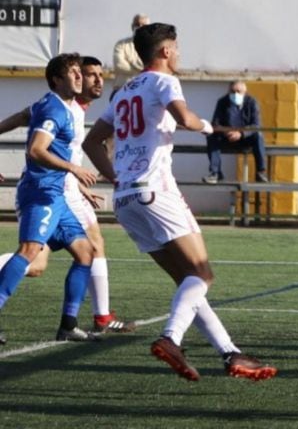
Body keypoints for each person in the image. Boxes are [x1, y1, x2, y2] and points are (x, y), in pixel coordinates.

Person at [83, 22, 276, 381]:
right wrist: (209, 127)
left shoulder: (123, 91)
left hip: (126, 198)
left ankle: (230, 353)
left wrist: (114, 175)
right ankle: (171, 338)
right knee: (202, 274)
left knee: (189, 282)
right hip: (156, 190)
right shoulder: (164, 81)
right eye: (177, 48)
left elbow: (91, 142)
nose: (179, 54)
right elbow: (184, 118)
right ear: (165, 51)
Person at [0, 56, 136, 334]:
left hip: (58, 193)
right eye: (75, 72)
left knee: (86, 252)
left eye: (80, 72)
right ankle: (101, 318)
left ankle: (69, 325)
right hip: (42, 192)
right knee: (30, 255)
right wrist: (74, 169)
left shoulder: (58, 106)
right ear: (57, 80)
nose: (81, 77)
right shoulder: (55, 109)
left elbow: (22, 117)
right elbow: (36, 150)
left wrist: (77, 183)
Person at [202, 80, 268, 184]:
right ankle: (215, 173)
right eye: (232, 91)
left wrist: (241, 133)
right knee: (211, 135)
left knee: (258, 135)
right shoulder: (222, 102)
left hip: (245, 138)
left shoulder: (252, 102)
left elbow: (256, 125)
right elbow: (215, 124)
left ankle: (261, 172)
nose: (235, 94)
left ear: (245, 92)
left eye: (238, 91)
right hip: (227, 136)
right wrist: (226, 132)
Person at [112, 13, 150, 94]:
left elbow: (152, 66)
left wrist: (130, 61)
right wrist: (142, 69)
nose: (139, 27)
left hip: (144, 91)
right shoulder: (121, 44)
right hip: (121, 90)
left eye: (143, 25)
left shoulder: (152, 46)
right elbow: (119, 65)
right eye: (137, 24)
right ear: (132, 26)